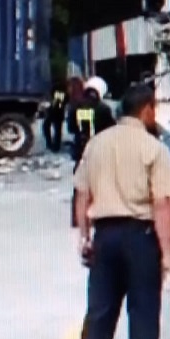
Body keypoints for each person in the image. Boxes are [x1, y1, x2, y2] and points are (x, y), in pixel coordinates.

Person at [70, 84, 170, 339]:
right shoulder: (153, 148)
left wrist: (85, 237)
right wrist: (166, 254)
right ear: (146, 109)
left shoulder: (97, 143)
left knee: (99, 316)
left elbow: (82, 195)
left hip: (105, 237)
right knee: (144, 320)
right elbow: (161, 203)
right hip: (140, 238)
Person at [67, 76, 116, 228]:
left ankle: (77, 218)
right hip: (99, 150)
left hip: (81, 150)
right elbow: (110, 129)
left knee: (80, 185)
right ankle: (98, 215)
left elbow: (71, 128)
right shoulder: (103, 108)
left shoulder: (75, 107)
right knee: (100, 183)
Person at [44, 82, 68, 152]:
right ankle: (54, 145)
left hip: (55, 112)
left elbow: (58, 103)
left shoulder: (59, 91)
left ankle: (54, 145)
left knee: (50, 127)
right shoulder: (61, 91)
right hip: (56, 112)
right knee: (55, 129)